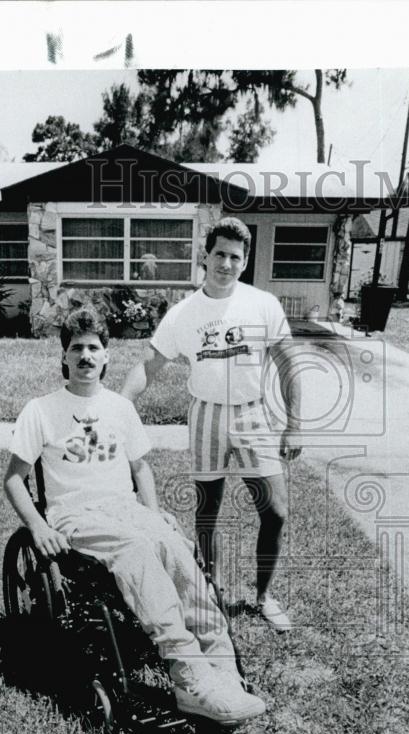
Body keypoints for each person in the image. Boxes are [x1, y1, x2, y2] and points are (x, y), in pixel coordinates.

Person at [3, 307, 266, 726]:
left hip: (124, 508)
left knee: (173, 547)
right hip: (75, 514)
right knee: (138, 549)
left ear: (107, 356)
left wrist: (156, 514)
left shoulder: (120, 408)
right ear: (64, 358)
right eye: (77, 349)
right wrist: (38, 526)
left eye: (94, 347)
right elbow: (14, 479)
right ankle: (190, 679)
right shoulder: (41, 409)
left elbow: (141, 468)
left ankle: (223, 669)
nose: (86, 356)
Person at [121, 217, 303, 632]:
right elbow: (150, 366)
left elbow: (290, 366)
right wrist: (120, 405)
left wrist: (295, 423)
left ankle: (263, 597)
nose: (225, 263)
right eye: (219, 253)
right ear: (205, 256)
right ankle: (213, 593)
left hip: (253, 412)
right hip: (206, 413)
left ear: (245, 261)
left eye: (234, 257)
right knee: (208, 513)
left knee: (275, 511)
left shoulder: (263, 304)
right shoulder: (184, 313)